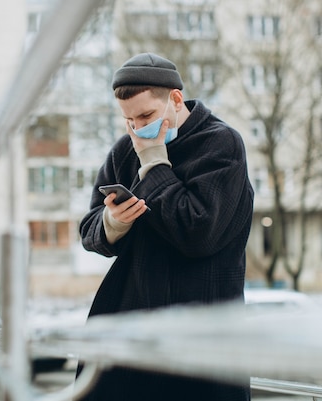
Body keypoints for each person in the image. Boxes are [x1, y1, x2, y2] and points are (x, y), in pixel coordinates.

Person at [77, 53, 254, 401]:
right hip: (129, 331)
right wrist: (113, 223)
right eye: (129, 119)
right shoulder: (123, 151)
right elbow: (89, 230)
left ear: (175, 99)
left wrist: (154, 163)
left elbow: (199, 233)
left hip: (201, 335)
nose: (137, 128)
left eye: (146, 115)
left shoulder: (222, 144)